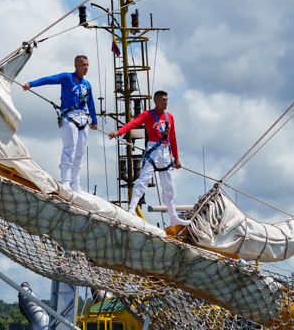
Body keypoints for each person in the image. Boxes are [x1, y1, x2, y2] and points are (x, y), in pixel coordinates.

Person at [109, 90, 186, 226]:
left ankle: (173, 217)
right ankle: (132, 208)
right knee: (143, 179)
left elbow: (173, 137)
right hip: (154, 150)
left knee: (168, 185)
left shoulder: (170, 117)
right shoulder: (148, 115)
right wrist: (119, 132)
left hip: (166, 152)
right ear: (156, 101)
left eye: (167, 100)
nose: (166, 102)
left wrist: (176, 157)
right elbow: (133, 124)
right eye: (163, 100)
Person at [24, 56, 98, 192]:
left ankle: (75, 182)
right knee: (70, 148)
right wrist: (31, 84)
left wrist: (94, 120)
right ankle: (65, 180)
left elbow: (90, 103)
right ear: (76, 65)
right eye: (83, 65)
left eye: (87, 65)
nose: (86, 68)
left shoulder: (87, 84)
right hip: (69, 116)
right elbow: (49, 79)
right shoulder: (67, 77)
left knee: (80, 152)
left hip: (83, 118)